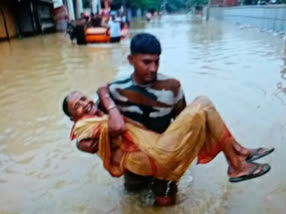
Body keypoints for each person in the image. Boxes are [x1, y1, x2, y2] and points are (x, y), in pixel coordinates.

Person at [74, 33, 274, 206]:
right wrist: (85, 145)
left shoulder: (172, 87)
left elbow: (185, 122)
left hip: (166, 158)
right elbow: (92, 124)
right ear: (131, 59)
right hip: (135, 167)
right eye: (146, 62)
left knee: (167, 205)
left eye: (157, 61)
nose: (152, 68)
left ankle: (236, 157)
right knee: (133, 203)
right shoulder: (114, 91)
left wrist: (196, 148)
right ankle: (237, 156)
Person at [63, 91, 273, 204]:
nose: (84, 103)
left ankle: (237, 154)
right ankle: (236, 160)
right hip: (153, 156)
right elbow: (104, 134)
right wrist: (106, 97)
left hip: (153, 154)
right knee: (202, 103)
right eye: (77, 106)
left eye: (83, 98)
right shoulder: (84, 129)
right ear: (73, 117)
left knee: (166, 198)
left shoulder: (104, 112)